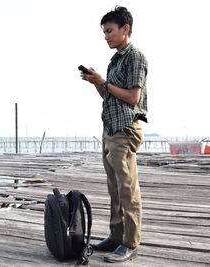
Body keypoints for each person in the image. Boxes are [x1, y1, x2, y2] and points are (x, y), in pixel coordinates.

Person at [80, 6, 148, 263]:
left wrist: (104, 82)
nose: (106, 36)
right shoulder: (115, 60)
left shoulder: (135, 57)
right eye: (104, 32)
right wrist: (97, 82)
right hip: (110, 129)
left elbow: (133, 97)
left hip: (125, 130)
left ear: (125, 29)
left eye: (109, 31)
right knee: (115, 189)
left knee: (128, 189)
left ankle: (130, 242)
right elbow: (109, 96)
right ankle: (116, 236)